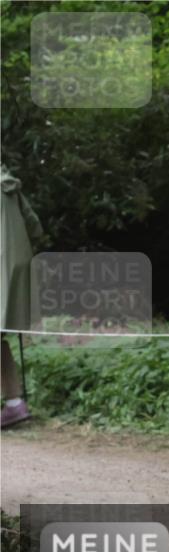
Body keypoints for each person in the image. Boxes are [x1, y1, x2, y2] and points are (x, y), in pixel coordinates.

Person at [1, 164, 45, 428]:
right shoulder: (9, 185)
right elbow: (35, 227)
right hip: (18, 266)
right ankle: (14, 405)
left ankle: (14, 404)